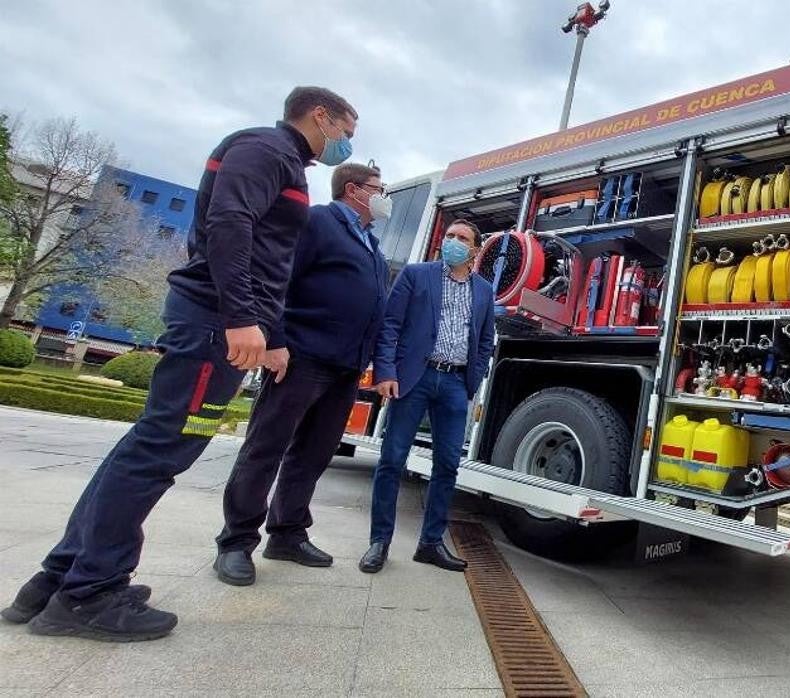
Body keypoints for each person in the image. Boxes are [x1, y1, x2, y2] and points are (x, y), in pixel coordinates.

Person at [0, 86, 358, 642]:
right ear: (321, 116)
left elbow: (267, 258)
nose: (348, 142)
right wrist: (241, 317)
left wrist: (273, 331)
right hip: (216, 324)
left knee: (146, 447)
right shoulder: (264, 149)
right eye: (347, 130)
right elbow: (230, 224)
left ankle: (61, 576)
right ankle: (91, 593)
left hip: (227, 323)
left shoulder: (284, 160)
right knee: (158, 453)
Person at [213, 163, 391, 586]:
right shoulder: (318, 222)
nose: (385, 197)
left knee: (312, 455)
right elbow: (279, 281)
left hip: (345, 368)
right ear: (354, 190)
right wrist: (275, 339)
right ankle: (236, 542)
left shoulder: (372, 246)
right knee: (265, 448)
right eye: (379, 189)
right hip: (301, 359)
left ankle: (288, 532)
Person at [358, 220, 495, 574]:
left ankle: (430, 544)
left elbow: (484, 340)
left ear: (475, 249)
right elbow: (390, 325)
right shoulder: (416, 275)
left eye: (462, 238)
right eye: (449, 236)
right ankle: (379, 542)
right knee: (392, 459)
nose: (453, 242)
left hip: (454, 385)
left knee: (448, 465)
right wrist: (386, 372)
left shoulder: (483, 290)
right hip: (413, 380)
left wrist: (472, 380)